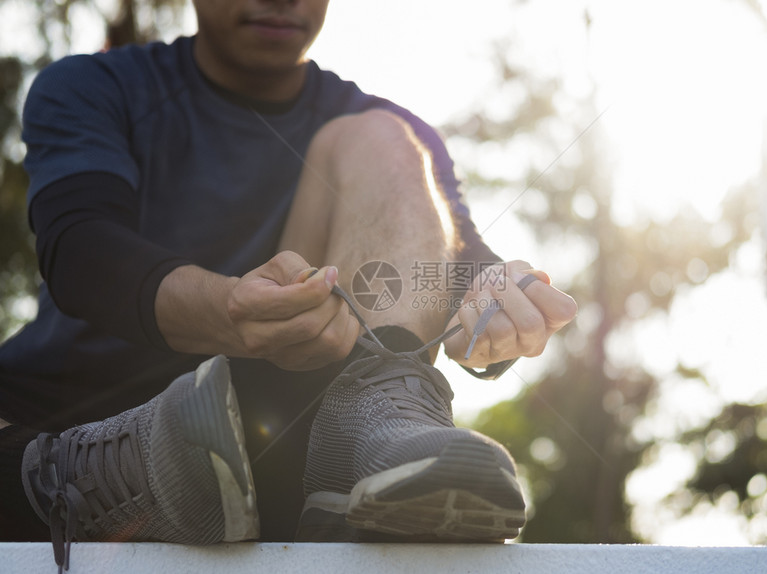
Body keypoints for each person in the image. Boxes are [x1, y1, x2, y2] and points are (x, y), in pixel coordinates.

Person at [0, 0, 577, 568]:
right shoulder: (91, 86)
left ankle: (380, 420)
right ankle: (99, 472)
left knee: (385, 138)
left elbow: (458, 256)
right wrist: (228, 309)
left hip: (269, 433)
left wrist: (497, 296)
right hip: (54, 421)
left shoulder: (393, 132)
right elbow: (82, 249)